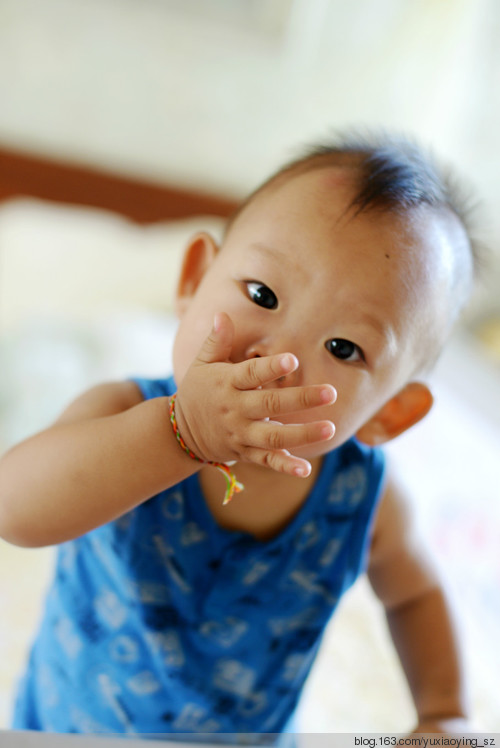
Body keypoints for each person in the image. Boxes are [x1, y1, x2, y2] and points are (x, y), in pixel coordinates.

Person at [0, 132, 479, 740]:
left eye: (343, 347)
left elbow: (415, 596)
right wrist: (181, 434)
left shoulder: (364, 499)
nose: (276, 356)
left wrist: (444, 711)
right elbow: (14, 508)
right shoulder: (120, 414)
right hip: (72, 728)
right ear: (195, 279)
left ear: (390, 413)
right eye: (262, 294)